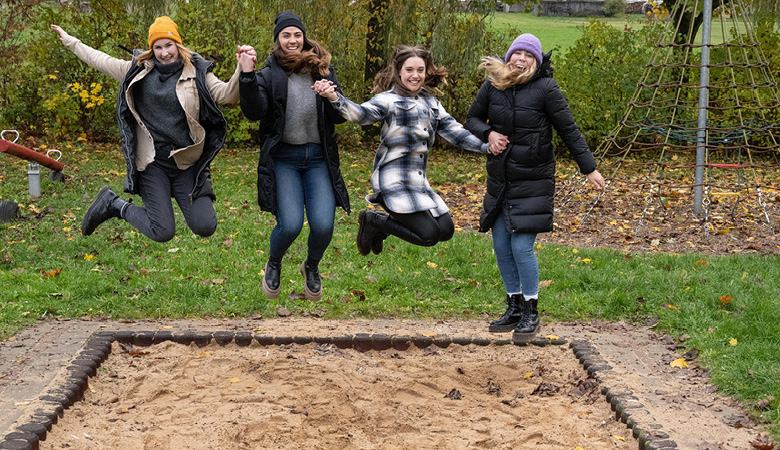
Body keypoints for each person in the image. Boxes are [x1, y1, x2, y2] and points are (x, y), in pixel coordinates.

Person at [51, 18, 254, 243]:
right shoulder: (138, 70)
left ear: (178, 44)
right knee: (163, 230)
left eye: (169, 45)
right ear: (151, 49)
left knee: (205, 225)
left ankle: (154, 197)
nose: (164, 52)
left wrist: (242, 70)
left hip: (185, 163)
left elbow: (227, 95)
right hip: (152, 163)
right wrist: (71, 41)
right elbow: (100, 59)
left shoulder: (197, 73)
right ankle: (115, 204)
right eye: (158, 47)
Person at [466, 33, 606, 341]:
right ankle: (513, 306)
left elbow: (568, 128)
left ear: (536, 61)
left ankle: (531, 311)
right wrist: (488, 134)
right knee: (501, 246)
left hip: (534, 180)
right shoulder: (493, 85)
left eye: (528, 55)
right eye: (517, 53)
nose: (521, 59)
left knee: (521, 247)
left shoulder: (546, 88)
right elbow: (472, 119)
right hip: (501, 179)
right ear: (509, 55)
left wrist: (589, 168)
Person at [313, 45, 504, 257]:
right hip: (392, 181)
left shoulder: (431, 103)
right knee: (428, 235)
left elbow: (455, 132)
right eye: (409, 70)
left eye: (420, 70)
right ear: (399, 71)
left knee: (446, 230)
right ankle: (375, 221)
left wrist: (487, 147)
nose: (415, 76)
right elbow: (361, 114)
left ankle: (377, 223)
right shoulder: (387, 100)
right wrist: (334, 97)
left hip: (417, 182)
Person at [238, 11, 350, 302]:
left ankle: (310, 266)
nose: (292, 40)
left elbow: (340, 118)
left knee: (324, 225)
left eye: (297, 35)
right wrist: (247, 76)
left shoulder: (322, 69)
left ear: (304, 38)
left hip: (317, 158)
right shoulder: (269, 73)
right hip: (284, 158)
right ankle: (274, 262)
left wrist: (332, 97)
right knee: (289, 224)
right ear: (277, 40)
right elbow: (254, 112)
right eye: (286, 35)